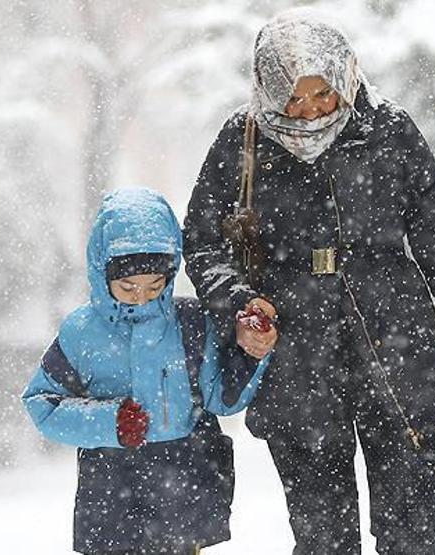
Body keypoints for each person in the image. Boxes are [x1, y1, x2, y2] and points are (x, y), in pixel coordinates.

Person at [183, 10, 435, 555]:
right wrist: (240, 304)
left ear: (344, 77)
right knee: (323, 541)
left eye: (323, 94)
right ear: (267, 89)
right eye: (292, 99)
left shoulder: (388, 130)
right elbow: (202, 241)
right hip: (296, 363)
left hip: (398, 358)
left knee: (409, 535)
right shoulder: (240, 142)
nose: (310, 111)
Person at [22, 187, 270, 555]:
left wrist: (250, 354)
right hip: (111, 487)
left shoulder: (190, 323)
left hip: (182, 485)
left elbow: (222, 399)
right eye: (127, 287)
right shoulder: (81, 332)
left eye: (156, 286)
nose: (142, 296)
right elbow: (42, 403)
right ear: (101, 270)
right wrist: (109, 422)